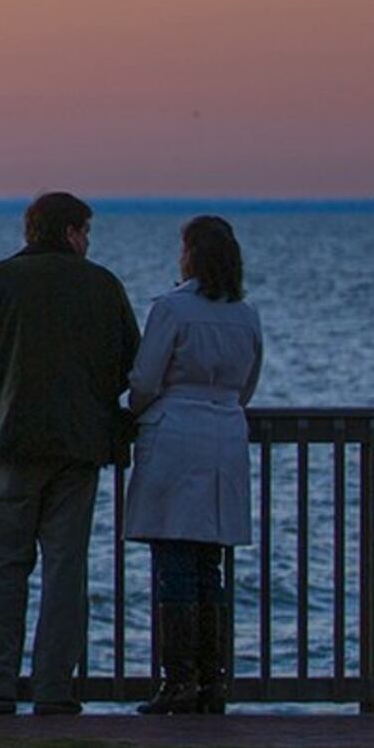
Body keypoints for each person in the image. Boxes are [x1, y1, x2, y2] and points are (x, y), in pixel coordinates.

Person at [0, 190, 140, 713]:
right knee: (66, 573)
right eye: (85, 232)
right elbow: (129, 366)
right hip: (79, 450)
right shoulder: (103, 285)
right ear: (69, 232)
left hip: (5, 446)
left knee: (0, 568)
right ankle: (54, 688)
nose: (88, 243)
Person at [121, 212, 265, 714]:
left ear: (191, 256)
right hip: (226, 433)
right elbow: (248, 384)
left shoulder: (172, 309)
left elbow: (145, 380)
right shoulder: (246, 314)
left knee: (175, 560)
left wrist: (137, 409)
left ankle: (178, 680)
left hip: (175, 435)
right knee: (209, 564)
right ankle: (213, 681)